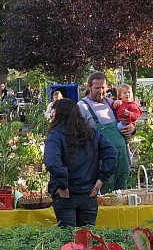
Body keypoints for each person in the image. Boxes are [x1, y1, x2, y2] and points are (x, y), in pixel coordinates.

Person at [44, 99, 117, 227]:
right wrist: (101, 180)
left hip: (67, 194)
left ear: (59, 113)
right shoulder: (91, 133)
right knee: (87, 239)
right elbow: (112, 154)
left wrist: (62, 185)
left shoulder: (55, 135)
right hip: (88, 192)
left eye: (54, 111)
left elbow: (52, 162)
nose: (51, 114)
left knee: (68, 240)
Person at [77, 72, 135, 193]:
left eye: (103, 87)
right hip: (102, 160)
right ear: (90, 88)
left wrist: (132, 128)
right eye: (97, 88)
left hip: (121, 157)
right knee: (106, 194)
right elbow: (77, 135)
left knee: (122, 191)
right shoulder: (82, 106)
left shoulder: (112, 103)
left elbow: (129, 120)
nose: (100, 91)